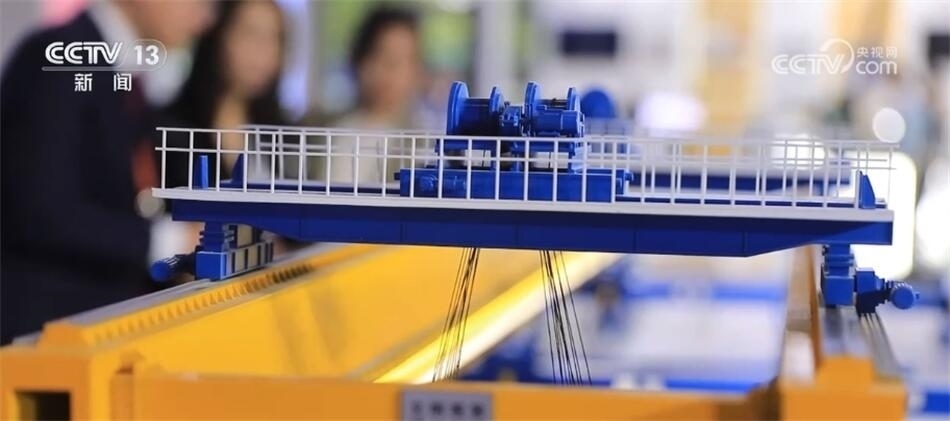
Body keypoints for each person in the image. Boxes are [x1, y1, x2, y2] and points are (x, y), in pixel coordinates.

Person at [0, 0, 213, 344]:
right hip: (43, 339)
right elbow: (42, 211)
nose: (203, 18)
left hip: (95, 329)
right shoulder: (61, 55)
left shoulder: (124, 72)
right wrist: (167, 242)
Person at [162, 0, 287, 188]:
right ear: (219, 34)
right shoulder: (172, 130)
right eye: (250, 33)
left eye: (275, 38)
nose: (264, 50)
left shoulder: (284, 134)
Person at [311, 6, 426, 185]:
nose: (389, 71)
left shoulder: (424, 148)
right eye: (381, 55)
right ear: (360, 60)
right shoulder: (317, 127)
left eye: (400, 60)